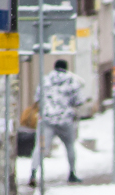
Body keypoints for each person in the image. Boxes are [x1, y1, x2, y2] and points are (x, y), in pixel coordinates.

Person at [30, 59, 86, 187]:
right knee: (70, 146)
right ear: (65, 68)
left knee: (40, 147)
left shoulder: (45, 80)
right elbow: (79, 101)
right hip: (65, 120)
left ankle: (33, 173)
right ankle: (72, 173)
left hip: (46, 120)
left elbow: (37, 98)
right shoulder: (72, 81)